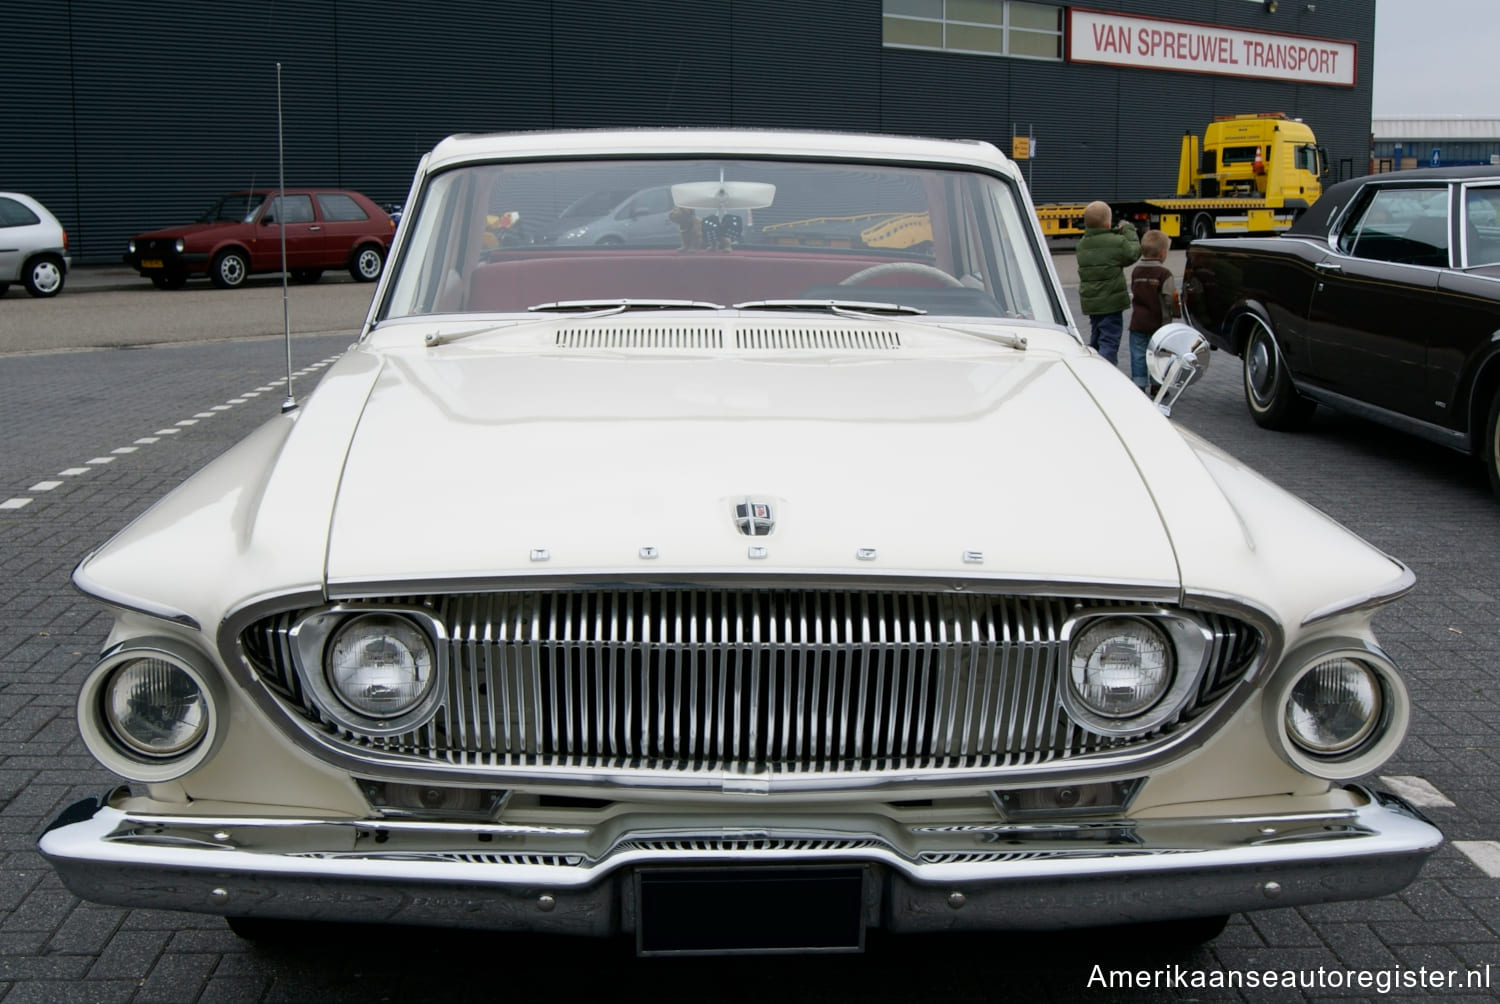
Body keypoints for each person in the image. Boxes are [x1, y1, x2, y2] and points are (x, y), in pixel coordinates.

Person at [1076, 201, 1141, 366]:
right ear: (1107, 223)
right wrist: (1129, 230)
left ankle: (1093, 365)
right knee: (1109, 341)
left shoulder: (1082, 244)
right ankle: (1106, 370)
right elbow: (1132, 253)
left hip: (1092, 302)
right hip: (1111, 303)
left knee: (1096, 337)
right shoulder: (1116, 242)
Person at [1127, 228, 1180, 392]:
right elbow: (1170, 297)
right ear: (1163, 253)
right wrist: (1176, 312)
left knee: (1138, 355)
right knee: (1159, 355)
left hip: (1137, 323)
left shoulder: (1136, 271)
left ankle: (1139, 385)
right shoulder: (1164, 274)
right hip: (1158, 325)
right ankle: (1158, 386)